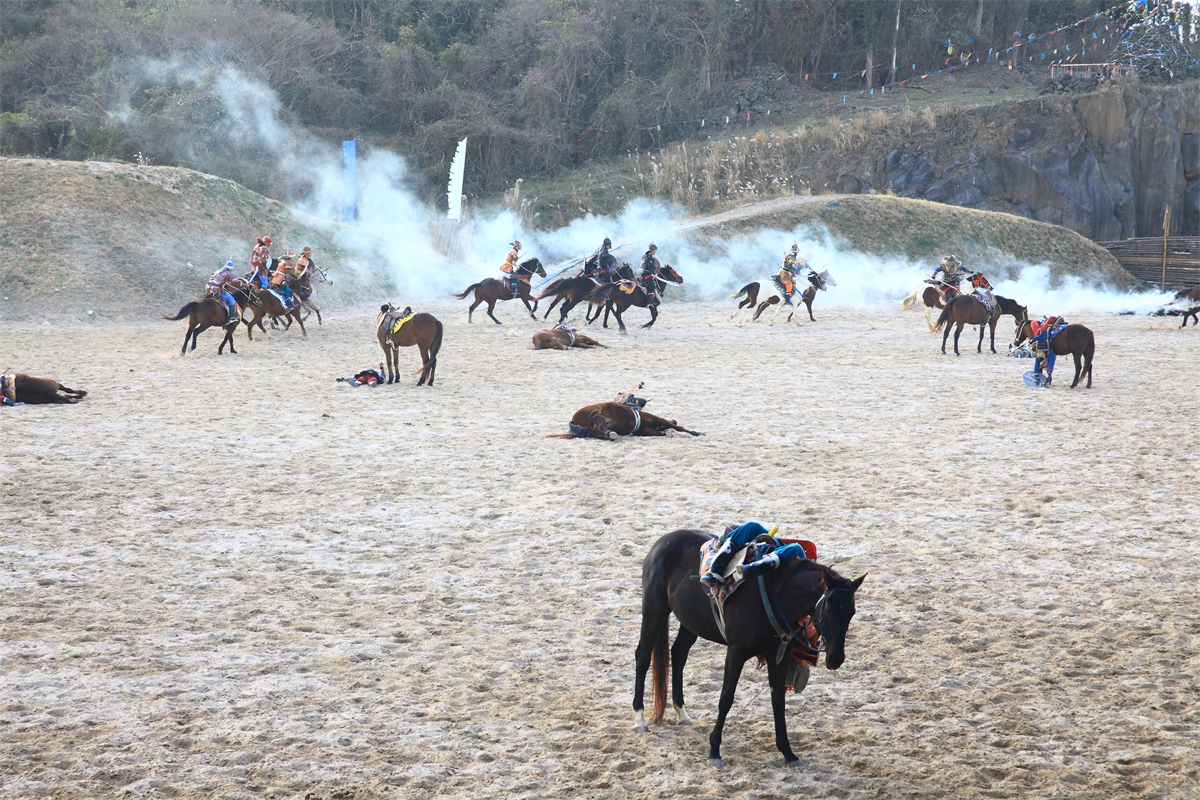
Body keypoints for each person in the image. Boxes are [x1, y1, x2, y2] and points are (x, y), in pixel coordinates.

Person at [700, 521, 809, 588]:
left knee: (796, 548)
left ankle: (749, 570)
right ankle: (714, 570)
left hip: (794, 564)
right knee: (752, 526)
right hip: (781, 548)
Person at [1029, 314, 1064, 386]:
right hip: (1050, 349)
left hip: (1045, 348)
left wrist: (1034, 339)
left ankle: (1037, 375)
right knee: (1050, 357)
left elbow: (1043, 336)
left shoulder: (1042, 328)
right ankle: (1048, 375)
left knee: (1038, 358)